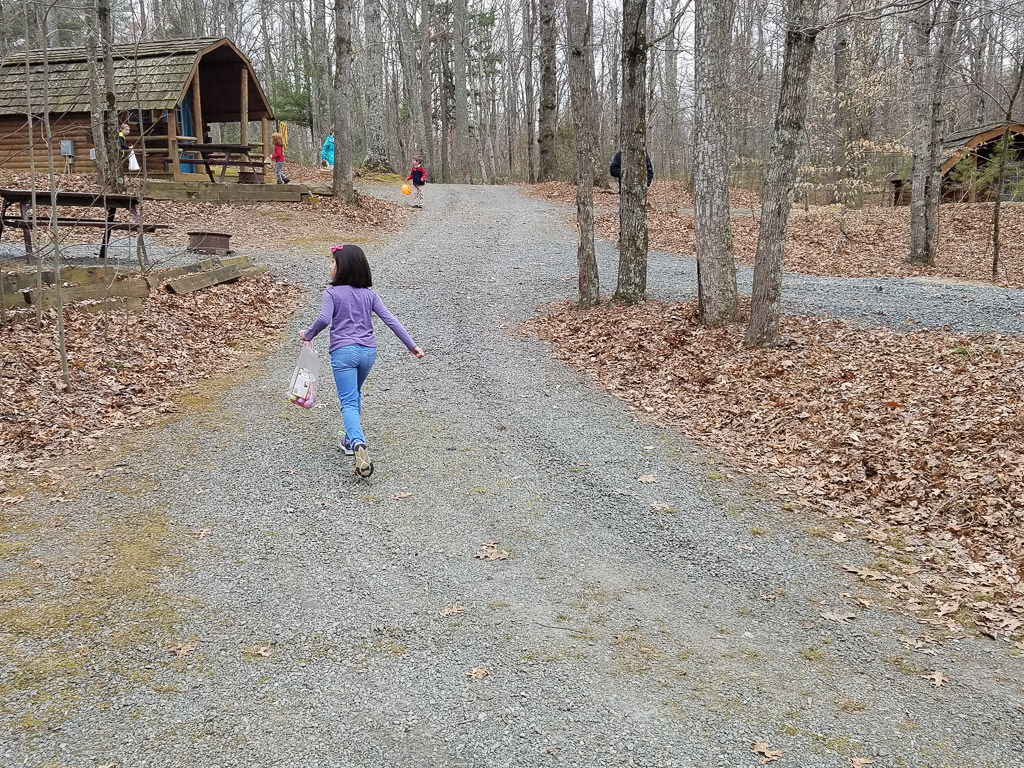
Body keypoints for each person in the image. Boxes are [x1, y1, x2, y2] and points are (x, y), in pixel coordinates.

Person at [300, 244, 424, 477]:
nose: (330, 266)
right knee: (355, 394)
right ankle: (348, 441)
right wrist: (412, 345)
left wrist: (308, 334)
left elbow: (325, 318)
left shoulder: (332, 293)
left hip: (344, 353)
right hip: (368, 353)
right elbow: (391, 319)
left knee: (347, 401)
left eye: (333, 262)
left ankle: (358, 443)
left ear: (343, 268)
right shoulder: (370, 294)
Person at [609, 149, 654, 236]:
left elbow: (650, 171)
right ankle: (623, 234)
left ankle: (638, 235)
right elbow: (612, 170)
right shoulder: (621, 154)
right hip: (624, 191)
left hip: (640, 192)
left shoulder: (642, 153)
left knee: (639, 215)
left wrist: (646, 185)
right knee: (623, 214)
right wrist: (625, 172)